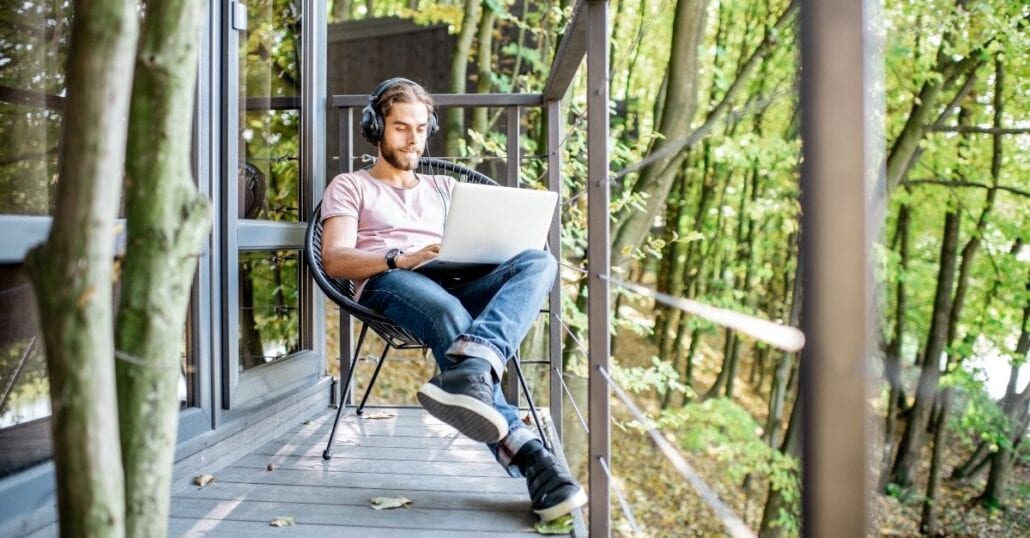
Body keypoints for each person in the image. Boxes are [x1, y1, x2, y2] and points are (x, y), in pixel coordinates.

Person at [319, 78, 586, 522]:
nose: (413, 139)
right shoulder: (351, 186)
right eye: (402, 127)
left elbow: (489, 240)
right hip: (394, 280)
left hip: (459, 277)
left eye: (421, 128)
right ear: (375, 128)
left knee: (539, 263)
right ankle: (534, 460)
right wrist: (398, 258)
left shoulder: (444, 187)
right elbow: (335, 259)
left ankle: (472, 369)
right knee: (448, 312)